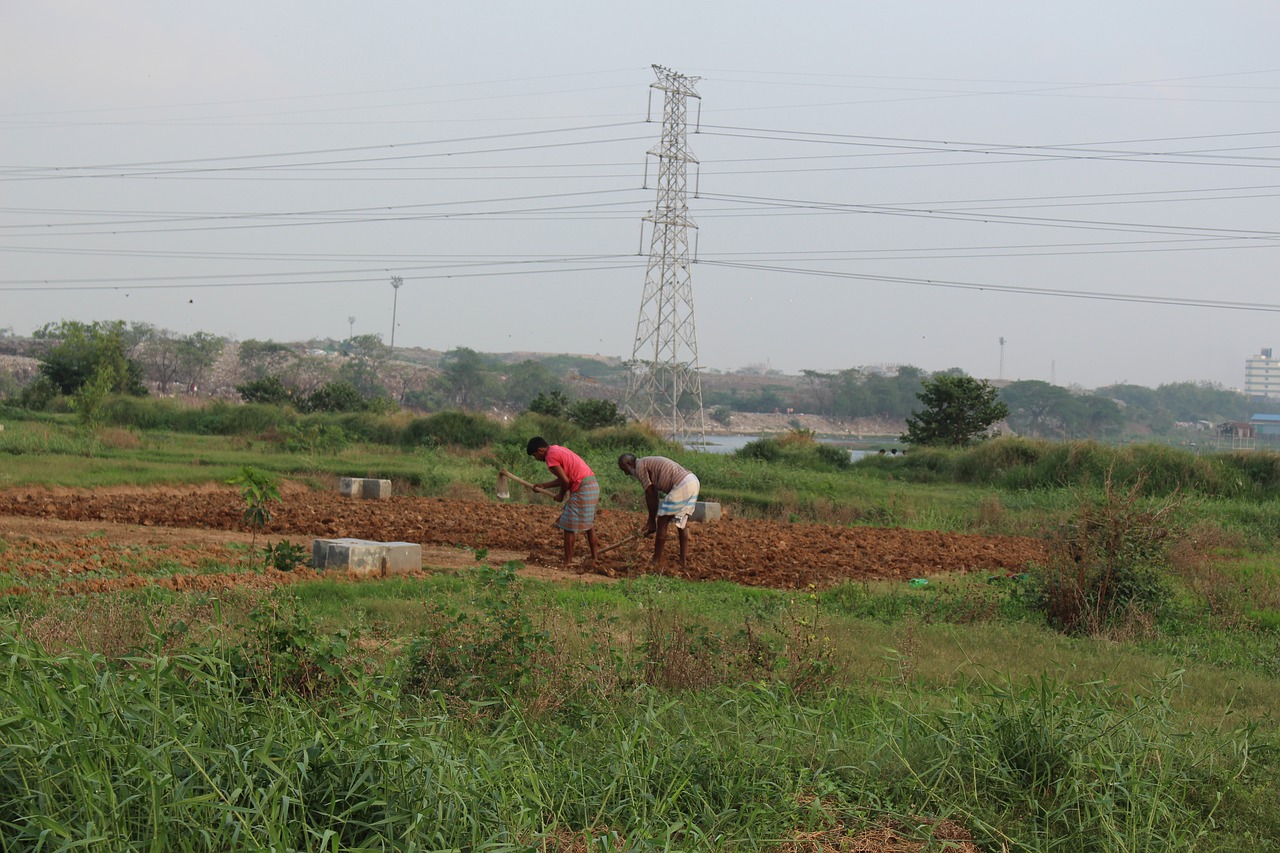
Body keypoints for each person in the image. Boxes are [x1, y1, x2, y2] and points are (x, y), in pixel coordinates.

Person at [526, 436, 599, 568]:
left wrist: (560, 495)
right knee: (589, 525)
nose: (536, 458)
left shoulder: (550, 457)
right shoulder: (557, 449)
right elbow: (565, 478)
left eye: (534, 455)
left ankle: (568, 562)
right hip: (592, 485)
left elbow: (565, 481)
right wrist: (544, 485)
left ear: (540, 450)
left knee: (568, 526)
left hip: (582, 488)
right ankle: (595, 557)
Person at [617, 453, 699, 569]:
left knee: (662, 521)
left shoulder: (640, 467)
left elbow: (650, 493)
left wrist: (651, 521)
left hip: (683, 483)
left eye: (625, 469)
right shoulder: (646, 463)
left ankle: (656, 561)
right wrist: (651, 521)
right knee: (681, 523)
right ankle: (683, 561)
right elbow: (654, 493)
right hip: (692, 481)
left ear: (629, 464)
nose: (626, 474)